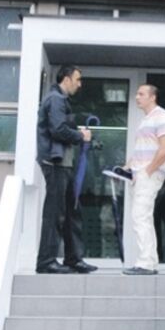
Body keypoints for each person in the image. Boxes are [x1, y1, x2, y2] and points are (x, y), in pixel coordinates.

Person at [104, 83, 165, 274]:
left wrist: (147, 171)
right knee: (143, 217)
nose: (137, 97)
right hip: (139, 175)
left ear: (153, 97)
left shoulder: (162, 117)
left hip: (148, 175)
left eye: (141, 94)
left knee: (140, 216)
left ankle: (146, 264)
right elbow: (140, 152)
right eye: (137, 94)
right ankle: (149, 261)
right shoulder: (145, 120)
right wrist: (124, 170)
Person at [35, 65, 96, 274]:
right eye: (77, 79)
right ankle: (46, 261)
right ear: (67, 79)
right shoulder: (56, 99)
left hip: (63, 164)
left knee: (72, 211)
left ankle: (74, 259)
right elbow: (58, 129)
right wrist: (80, 136)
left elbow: (61, 127)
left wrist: (77, 132)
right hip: (55, 164)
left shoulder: (60, 100)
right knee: (55, 213)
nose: (80, 84)